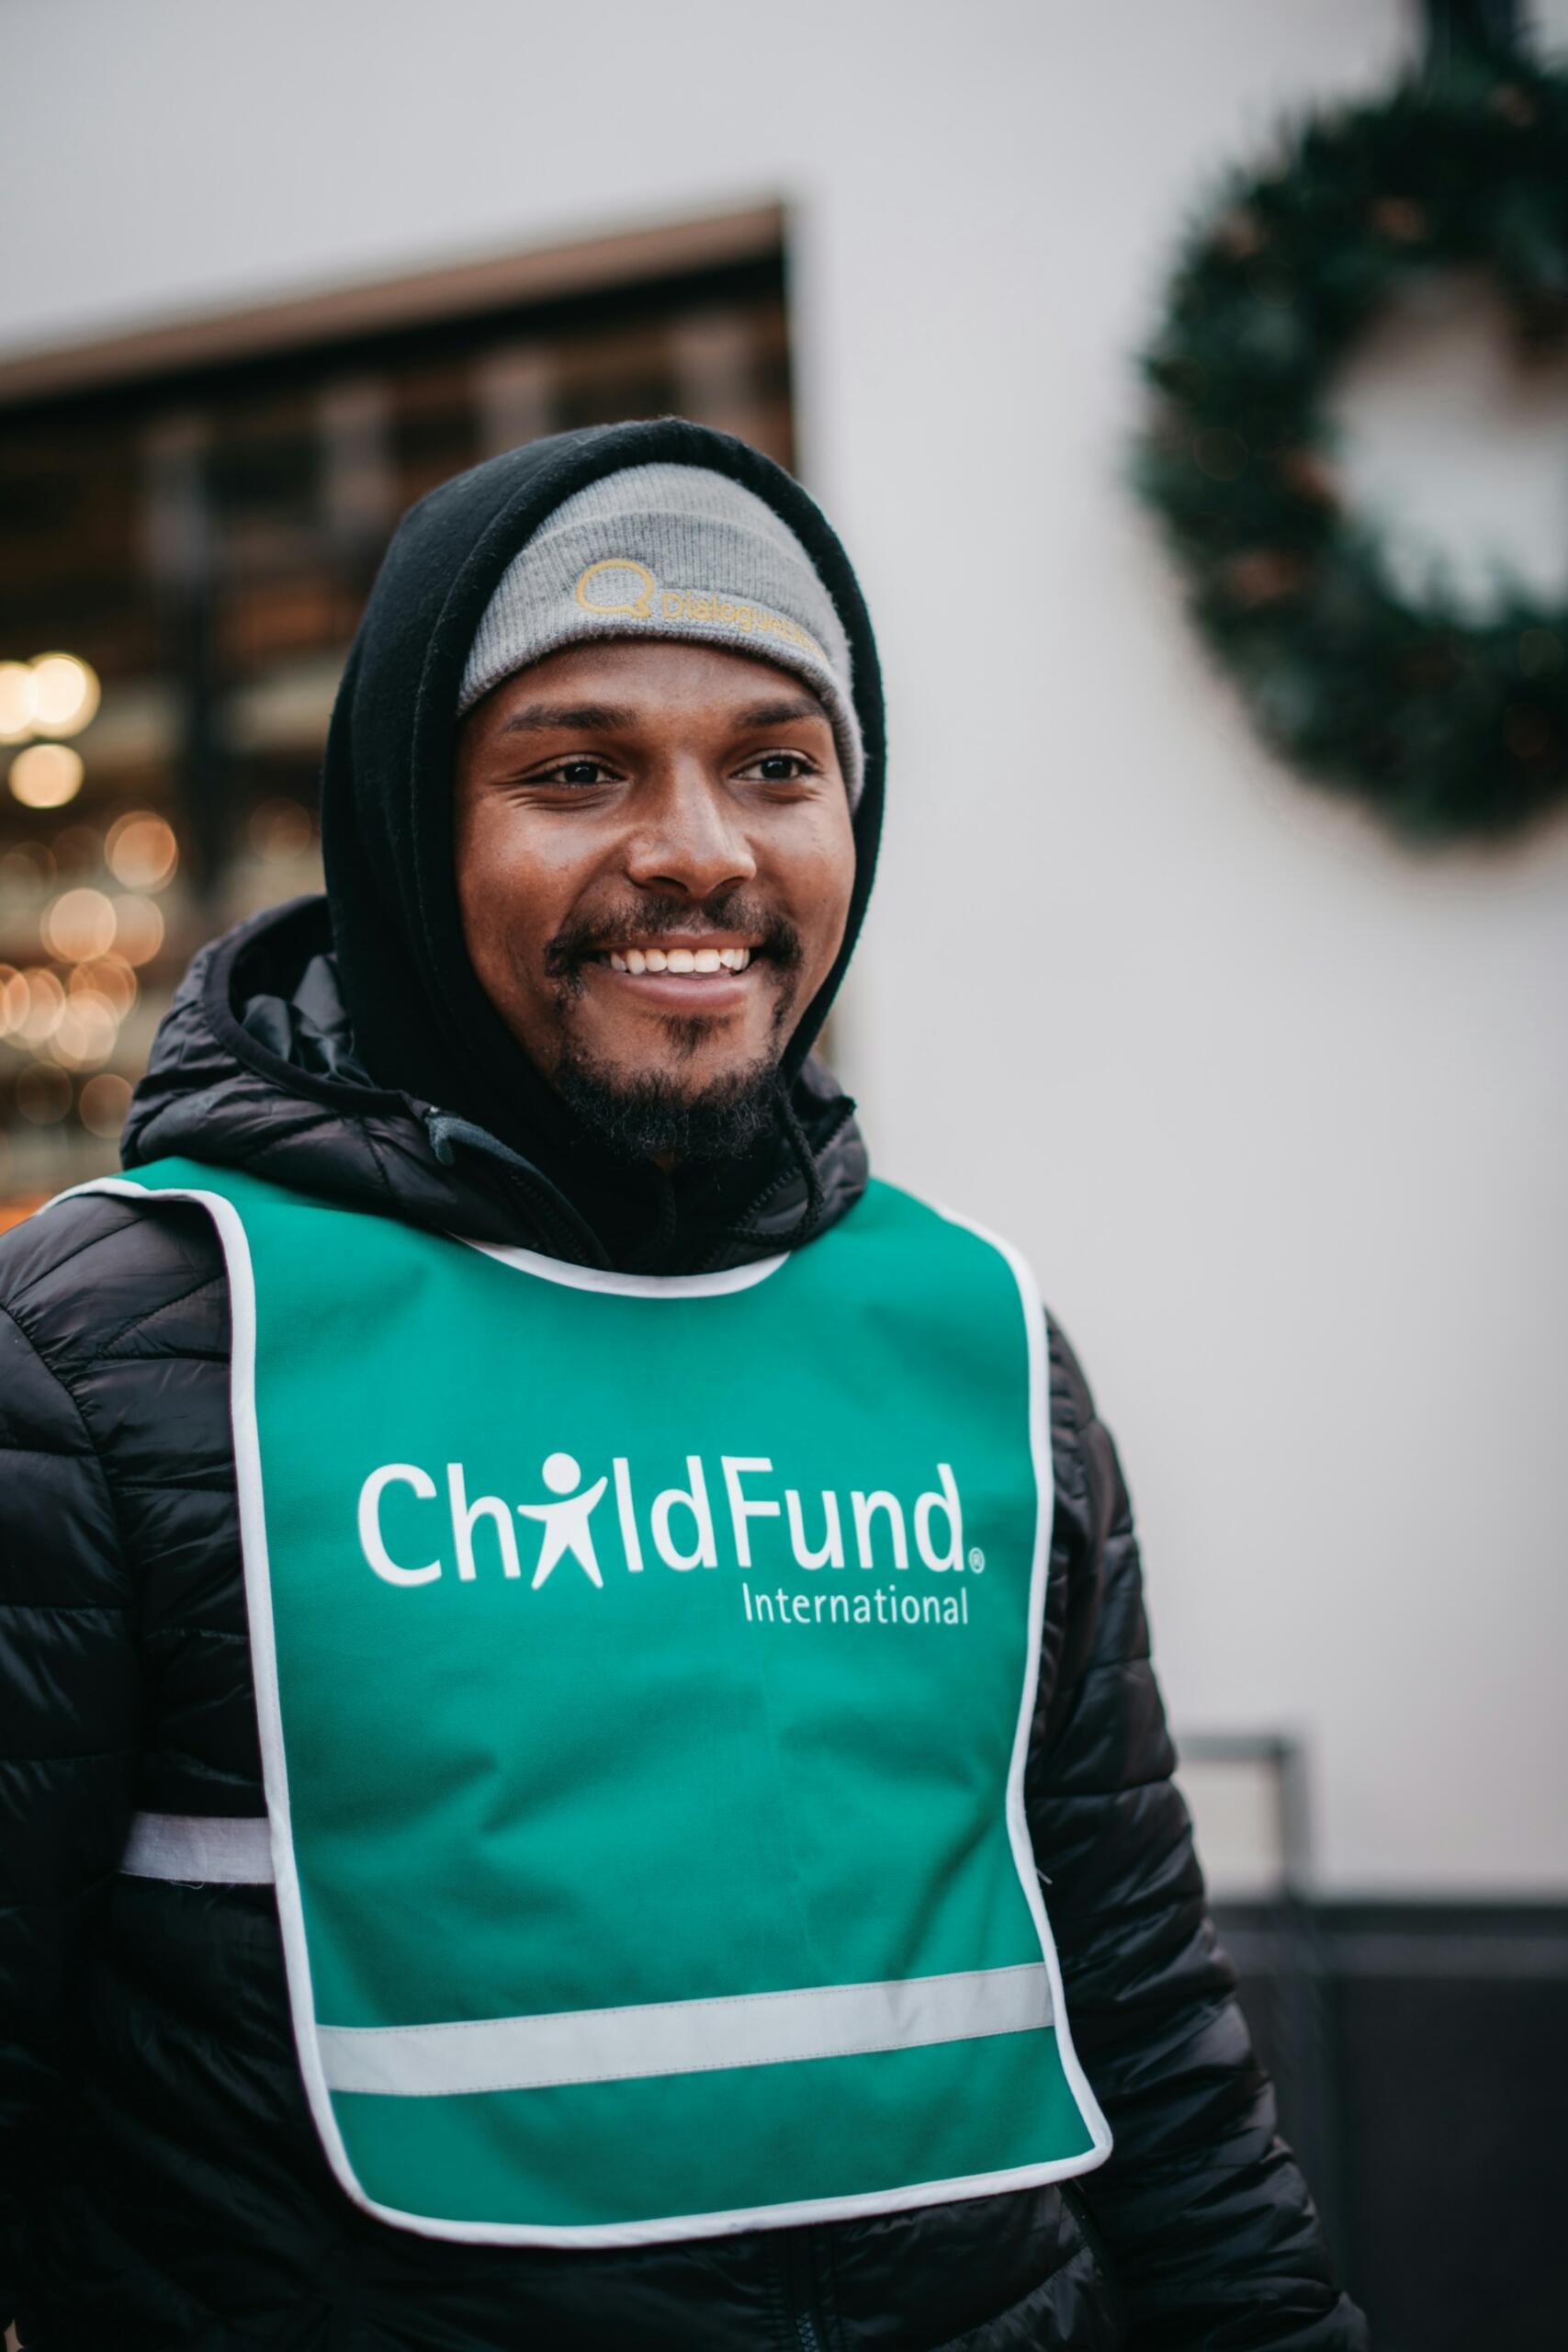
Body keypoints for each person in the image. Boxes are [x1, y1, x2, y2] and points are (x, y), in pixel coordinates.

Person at [0, 418, 1367, 2349]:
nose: (699, 850)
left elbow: (1148, 2039)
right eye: (575, 768)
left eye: (776, 765)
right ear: (410, 818)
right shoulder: (113, 1344)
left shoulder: (976, 1341)